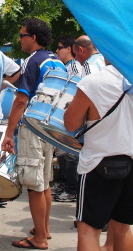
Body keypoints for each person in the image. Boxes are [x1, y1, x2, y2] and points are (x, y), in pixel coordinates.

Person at [64, 60, 133, 251]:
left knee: (88, 229)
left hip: (99, 162)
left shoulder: (94, 82)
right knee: (122, 228)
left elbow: (70, 124)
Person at [1, 18, 66, 250]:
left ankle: (39, 238)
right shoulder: (57, 60)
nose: (20, 39)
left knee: (33, 184)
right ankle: (44, 229)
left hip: (33, 126)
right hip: (51, 128)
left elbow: (21, 100)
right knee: (45, 181)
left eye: (22, 35)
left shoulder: (33, 61)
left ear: (33, 38)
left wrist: (9, 133)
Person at [52, 34, 83, 203]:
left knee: (70, 154)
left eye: (59, 47)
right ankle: (63, 183)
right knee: (62, 152)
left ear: (69, 49)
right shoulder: (65, 66)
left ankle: (72, 189)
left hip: (70, 114)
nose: (57, 51)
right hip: (62, 114)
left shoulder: (75, 67)